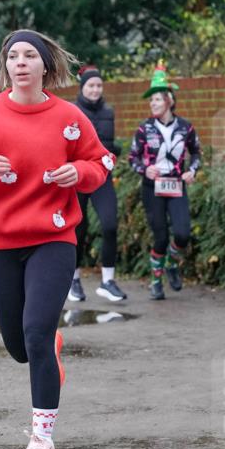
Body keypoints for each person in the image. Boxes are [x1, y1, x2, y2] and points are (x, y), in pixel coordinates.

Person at [0, 30, 114, 449]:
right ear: (6, 66)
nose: (21, 62)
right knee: (21, 347)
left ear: (45, 66)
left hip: (52, 238)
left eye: (30, 55)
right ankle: (46, 346)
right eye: (13, 56)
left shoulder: (69, 116)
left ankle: (42, 442)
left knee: (35, 334)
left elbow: (100, 162)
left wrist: (78, 173)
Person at [129, 65, 201, 300]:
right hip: (153, 188)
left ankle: (171, 263)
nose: (153, 103)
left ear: (169, 101)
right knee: (160, 237)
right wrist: (144, 169)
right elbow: (132, 158)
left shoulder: (186, 127)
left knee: (182, 234)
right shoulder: (144, 129)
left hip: (177, 185)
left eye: (157, 99)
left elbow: (197, 153)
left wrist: (192, 171)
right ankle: (156, 282)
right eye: (151, 100)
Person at [68, 65, 127, 304]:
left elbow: (107, 143)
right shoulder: (71, 111)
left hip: (101, 176)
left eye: (99, 85)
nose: (95, 90)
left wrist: (114, 151)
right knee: (78, 230)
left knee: (110, 225)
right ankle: (73, 280)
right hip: (77, 177)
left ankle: (107, 281)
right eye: (91, 85)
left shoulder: (108, 112)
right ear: (82, 87)